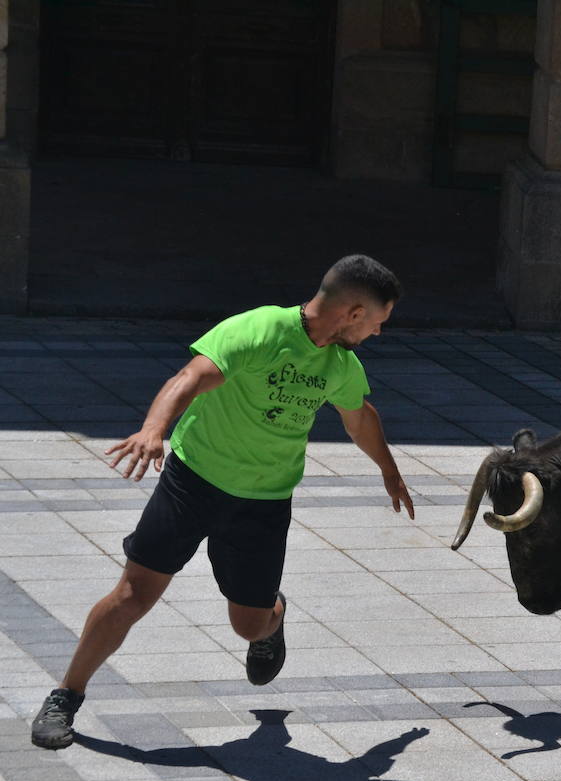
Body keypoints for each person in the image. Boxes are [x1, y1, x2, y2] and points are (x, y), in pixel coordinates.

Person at [31, 254, 416, 749]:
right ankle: (66, 695)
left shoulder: (339, 364)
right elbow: (189, 377)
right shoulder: (258, 330)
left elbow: (359, 418)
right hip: (194, 481)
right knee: (133, 594)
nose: (378, 335)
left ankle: (273, 617)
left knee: (248, 625)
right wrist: (153, 430)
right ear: (355, 312)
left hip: (265, 500)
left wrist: (389, 469)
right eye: (379, 323)